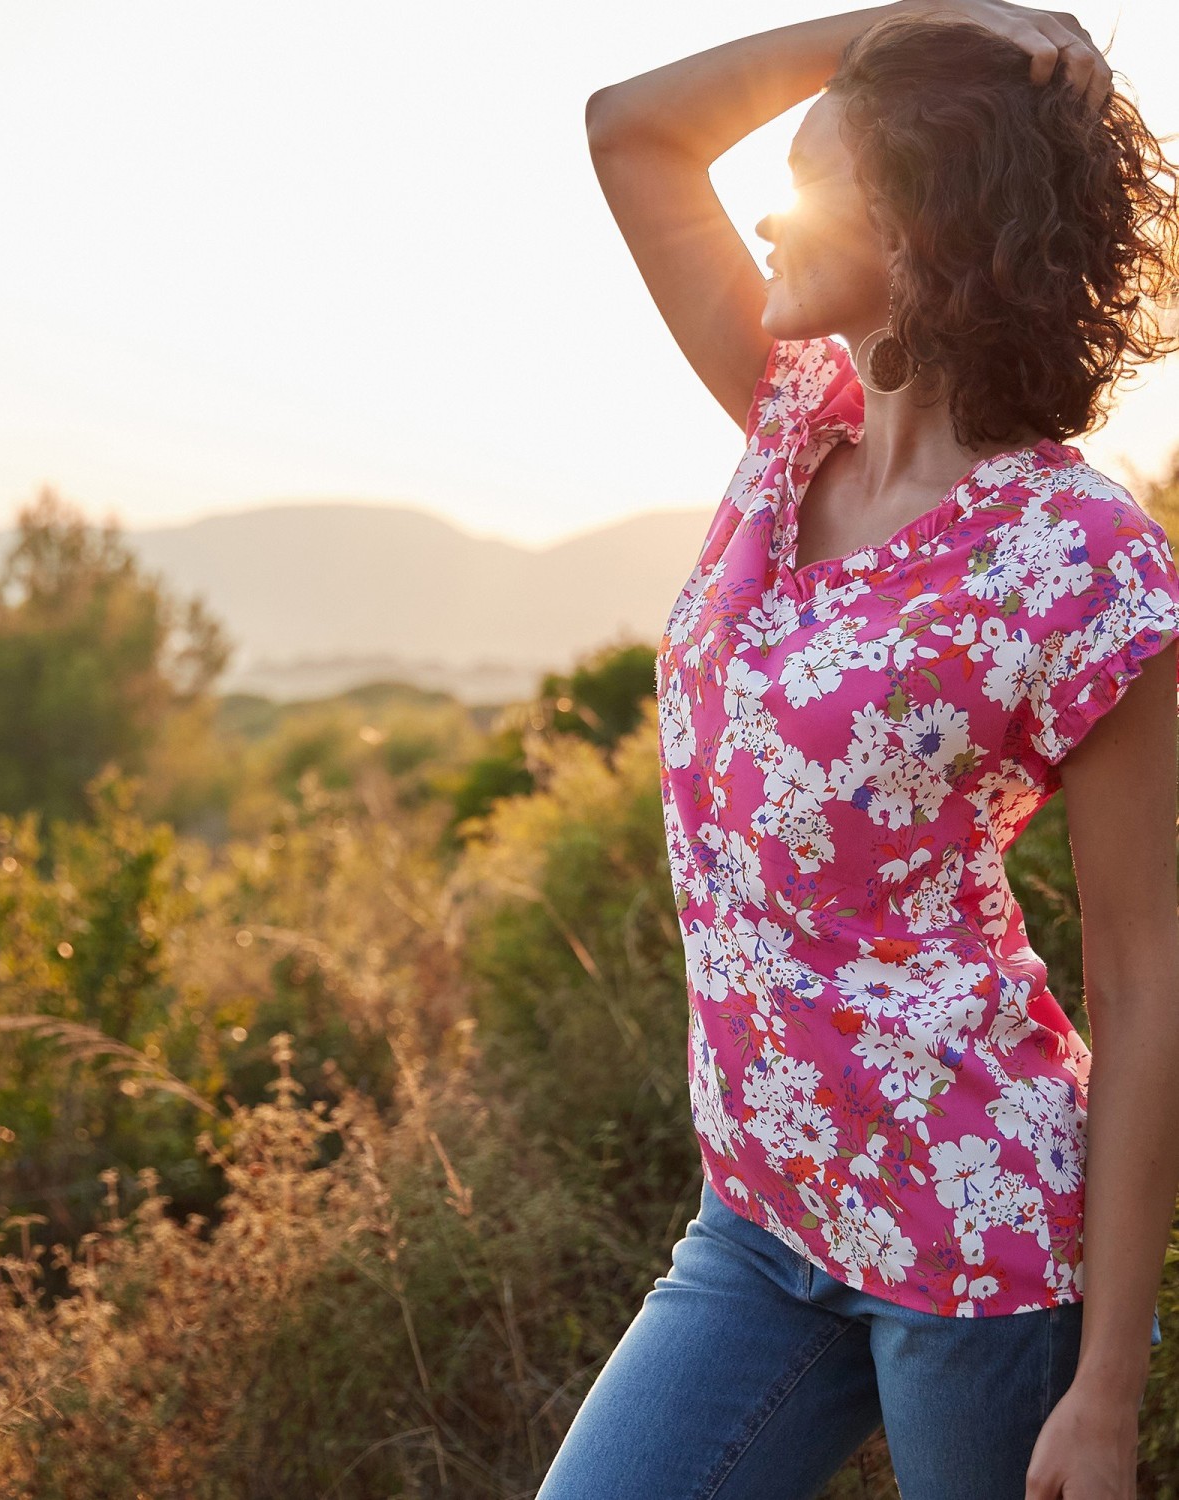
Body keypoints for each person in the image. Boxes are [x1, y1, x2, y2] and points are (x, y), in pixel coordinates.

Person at [539, 3, 1179, 1497]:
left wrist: (1102, 1392)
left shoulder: (1076, 557)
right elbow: (626, 127)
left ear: (917, 233)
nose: (768, 215)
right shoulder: (789, 427)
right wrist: (921, 16)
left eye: (814, 177)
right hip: (759, 1214)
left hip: (978, 1246)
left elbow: (1146, 978)